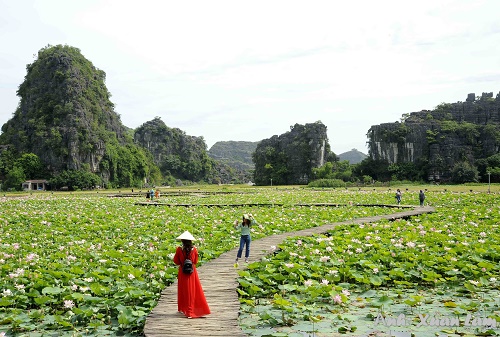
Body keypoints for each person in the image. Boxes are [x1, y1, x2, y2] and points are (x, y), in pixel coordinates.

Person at [173, 231, 211, 318]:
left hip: (182, 272)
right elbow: (195, 261)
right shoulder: (194, 250)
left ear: (182, 240)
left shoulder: (179, 250)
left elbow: (176, 261)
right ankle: (190, 312)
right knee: (192, 291)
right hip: (192, 273)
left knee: (183, 291)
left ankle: (184, 309)